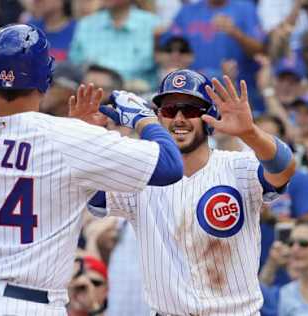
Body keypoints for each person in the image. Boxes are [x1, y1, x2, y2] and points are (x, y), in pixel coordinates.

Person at [0, 24, 183, 315]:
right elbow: (169, 167)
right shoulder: (69, 137)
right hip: (30, 304)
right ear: (45, 78)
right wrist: (144, 119)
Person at [85, 69, 296, 315]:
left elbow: (284, 168)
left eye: (191, 109)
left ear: (210, 116)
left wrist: (249, 132)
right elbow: (89, 193)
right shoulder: (141, 177)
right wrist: (88, 138)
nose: (180, 119)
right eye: (170, 110)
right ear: (158, 117)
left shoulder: (238, 167)